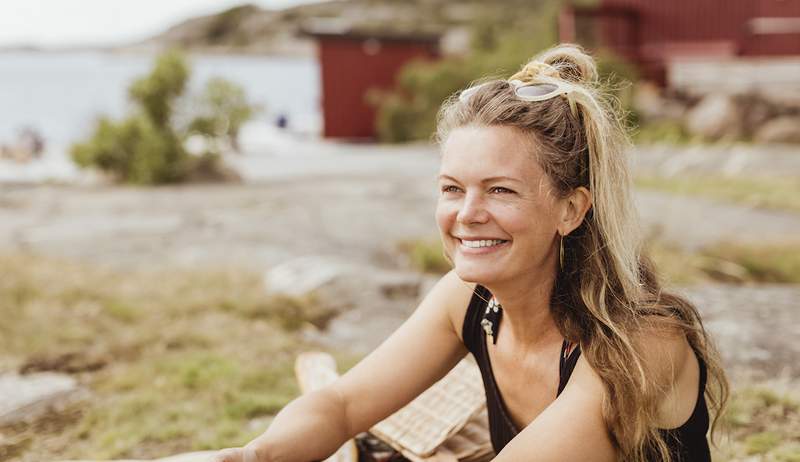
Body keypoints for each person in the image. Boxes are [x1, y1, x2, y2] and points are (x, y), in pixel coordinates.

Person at [212, 44, 728, 462]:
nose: (468, 214)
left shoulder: (642, 341)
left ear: (571, 210)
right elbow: (343, 405)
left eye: (500, 190)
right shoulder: (471, 300)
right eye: (452, 188)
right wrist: (250, 456)